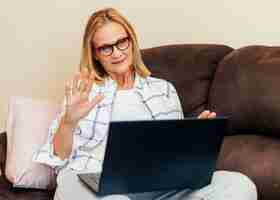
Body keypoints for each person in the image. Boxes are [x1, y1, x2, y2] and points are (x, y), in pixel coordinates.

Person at [33, 7, 257, 200]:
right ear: (95, 55)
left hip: (157, 186)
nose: (117, 53)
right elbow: (58, 158)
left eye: (122, 42)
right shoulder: (83, 93)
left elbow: (173, 156)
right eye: (106, 47)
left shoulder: (163, 90)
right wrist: (69, 121)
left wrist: (194, 139)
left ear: (131, 41)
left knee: (238, 185)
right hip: (95, 185)